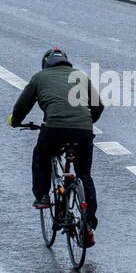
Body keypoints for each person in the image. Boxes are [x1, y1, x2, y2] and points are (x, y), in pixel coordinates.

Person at [9, 47, 103, 246]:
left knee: (41, 156)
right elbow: (98, 106)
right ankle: (87, 225)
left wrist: (15, 121)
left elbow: (22, 106)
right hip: (83, 131)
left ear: (46, 63)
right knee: (84, 175)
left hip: (54, 129)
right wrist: (86, 122)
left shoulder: (39, 78)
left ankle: (43, 195)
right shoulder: (80, 76)